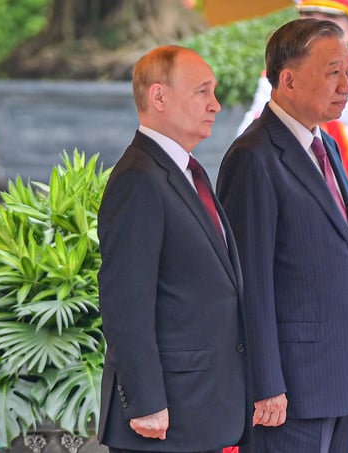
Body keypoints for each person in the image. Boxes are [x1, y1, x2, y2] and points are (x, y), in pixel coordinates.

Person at [217, 18, 348, 453]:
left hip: (338, 377)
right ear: (287, 80)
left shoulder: (324, 144)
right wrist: (266, 383)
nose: (346, 85)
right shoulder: (253, 156)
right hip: (290, 390)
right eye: (333, 72)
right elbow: (248, 281)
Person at [97, 45, 249, 453]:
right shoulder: (139, 178)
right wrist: (146, 401)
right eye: (202, 91)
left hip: (201, 410)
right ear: (159, 97)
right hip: (164, 421)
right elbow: (125, 300)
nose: (215, 105)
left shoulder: (186, 172)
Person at [237, 0, 348, 308]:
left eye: (329, 19)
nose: (316, 25)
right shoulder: (276, 81)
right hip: (294, 221)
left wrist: (337, 85)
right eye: (309, 16)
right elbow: (247, 141)